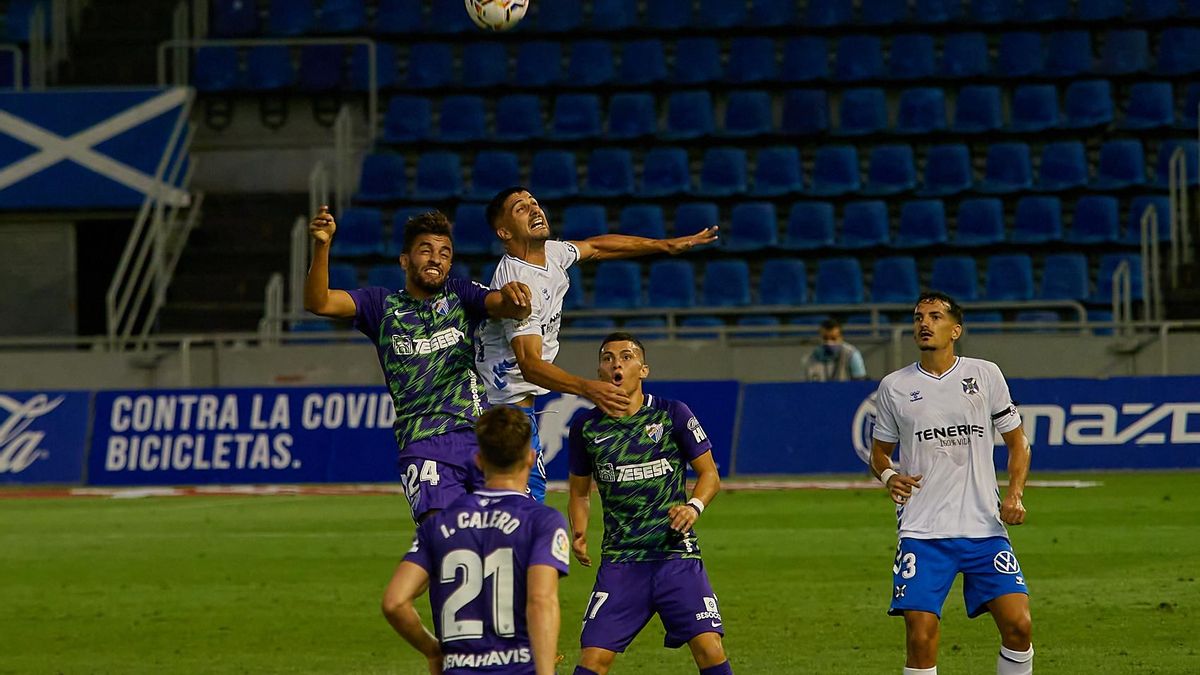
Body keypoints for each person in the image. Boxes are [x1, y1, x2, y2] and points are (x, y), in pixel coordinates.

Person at [476, 187, 719, 502]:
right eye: (521, 208)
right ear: (504, 231)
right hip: (500, 413)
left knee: (523, 509)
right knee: (517, 510)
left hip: (516, 410)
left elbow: (597, 247)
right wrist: (587, 388)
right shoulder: (520, 286)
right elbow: (531, 366)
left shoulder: (551, 253)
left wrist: (663, 245)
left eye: (535, 202)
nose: (535, 209)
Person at [305, 206, 532, 523]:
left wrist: (516, 300)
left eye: (444, 253)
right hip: (423, 444)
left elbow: (506, 307)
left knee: (506, 537)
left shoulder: (460, 294)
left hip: (478, 437)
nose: (436, 259)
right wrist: (322, 244)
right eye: (425, 250)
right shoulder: (381, 306)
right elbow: (320, 302)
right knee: (442, 542)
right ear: (404, 260)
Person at [869, 292, 1034, 675]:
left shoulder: (985, 374)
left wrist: (1015, 494)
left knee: (1019, 625)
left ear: (955, 329)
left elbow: (1018, 442)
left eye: (935, 317)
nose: (924, 324)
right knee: (921, 636)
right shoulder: (894, 386)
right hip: (923, 531)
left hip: (984, 527)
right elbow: (878, 454)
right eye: (918, 318)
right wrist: (891, 475)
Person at [567, 332, 733, 675]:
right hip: (622, 561)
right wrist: (579, 530)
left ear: (643, 369)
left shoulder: (672, 414)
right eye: (608, 358)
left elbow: (710, 475)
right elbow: (580, 491)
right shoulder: (586, 427)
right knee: (593, 659)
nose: (617, 363)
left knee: (709, 647)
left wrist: (693, 507)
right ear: (600, 370)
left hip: (676, 556)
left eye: (626, 357)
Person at [381, 405, 571, 675]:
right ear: (530, 458)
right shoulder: (543, 521)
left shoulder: (438, 525)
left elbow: (395, 602)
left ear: (479, 461)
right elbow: (541, 600)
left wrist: (433, 650)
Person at [803, 318, 868, 381]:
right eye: (825, 338)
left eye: (833, 338)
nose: (829, 342)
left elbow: (860, 383)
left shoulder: (851, 355)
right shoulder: (811, 358)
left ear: (841, 338)